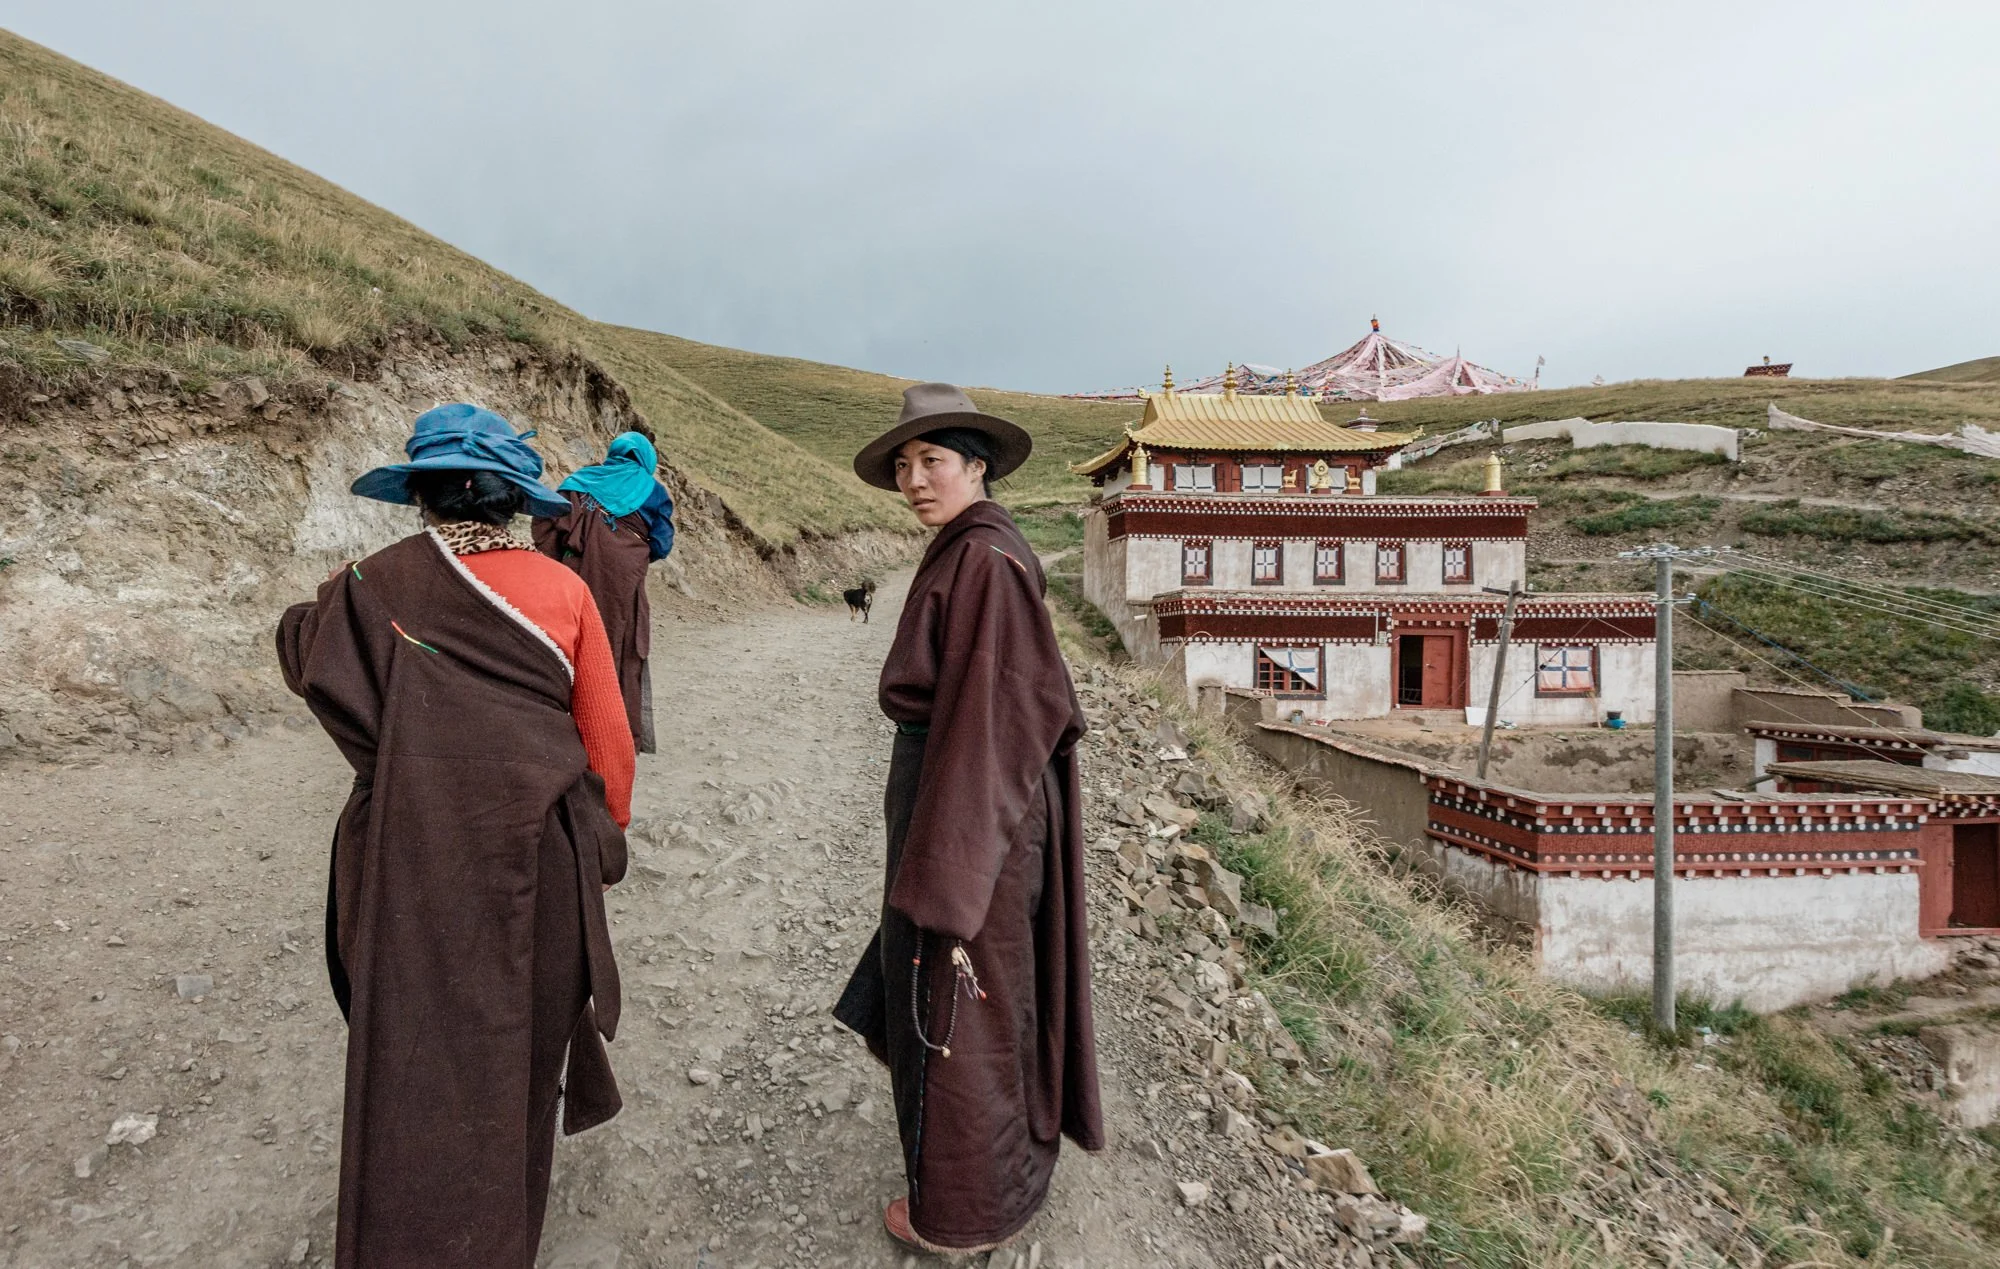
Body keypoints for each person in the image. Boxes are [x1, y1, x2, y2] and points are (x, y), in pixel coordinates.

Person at [275, 403, 633, 1269]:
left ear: (420, 497)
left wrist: (347, 593)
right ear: (515, 501)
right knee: (523, 1051)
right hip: (536, 855)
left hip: (407, 856)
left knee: (413, 1050)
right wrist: (604, 845)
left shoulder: (366, 586)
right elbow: (608, 747)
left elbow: (300, 653)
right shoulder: (566, 592)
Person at [834, 383, 1103, 1254]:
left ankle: (963, 1214)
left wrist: (951, 870)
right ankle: (993, 1187)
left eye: (933, 461)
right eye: (905, 465)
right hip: (962, 797)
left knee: (961, 996)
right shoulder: (970, 548)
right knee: (975, 996)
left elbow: (997, 715)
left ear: (978, 466)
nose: (915, 479)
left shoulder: (983, 560)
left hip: (973, 808)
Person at [532, 432, 676, 753]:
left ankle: (564, 727)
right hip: (623, 586)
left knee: (571, 643)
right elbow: (662, 543)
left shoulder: (578, 482)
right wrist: (631, 555)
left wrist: (567, 559)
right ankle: (613, 734)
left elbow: (544, 525)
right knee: (620, 648)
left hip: (574, 579)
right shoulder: (653, 491)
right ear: (645, 459)